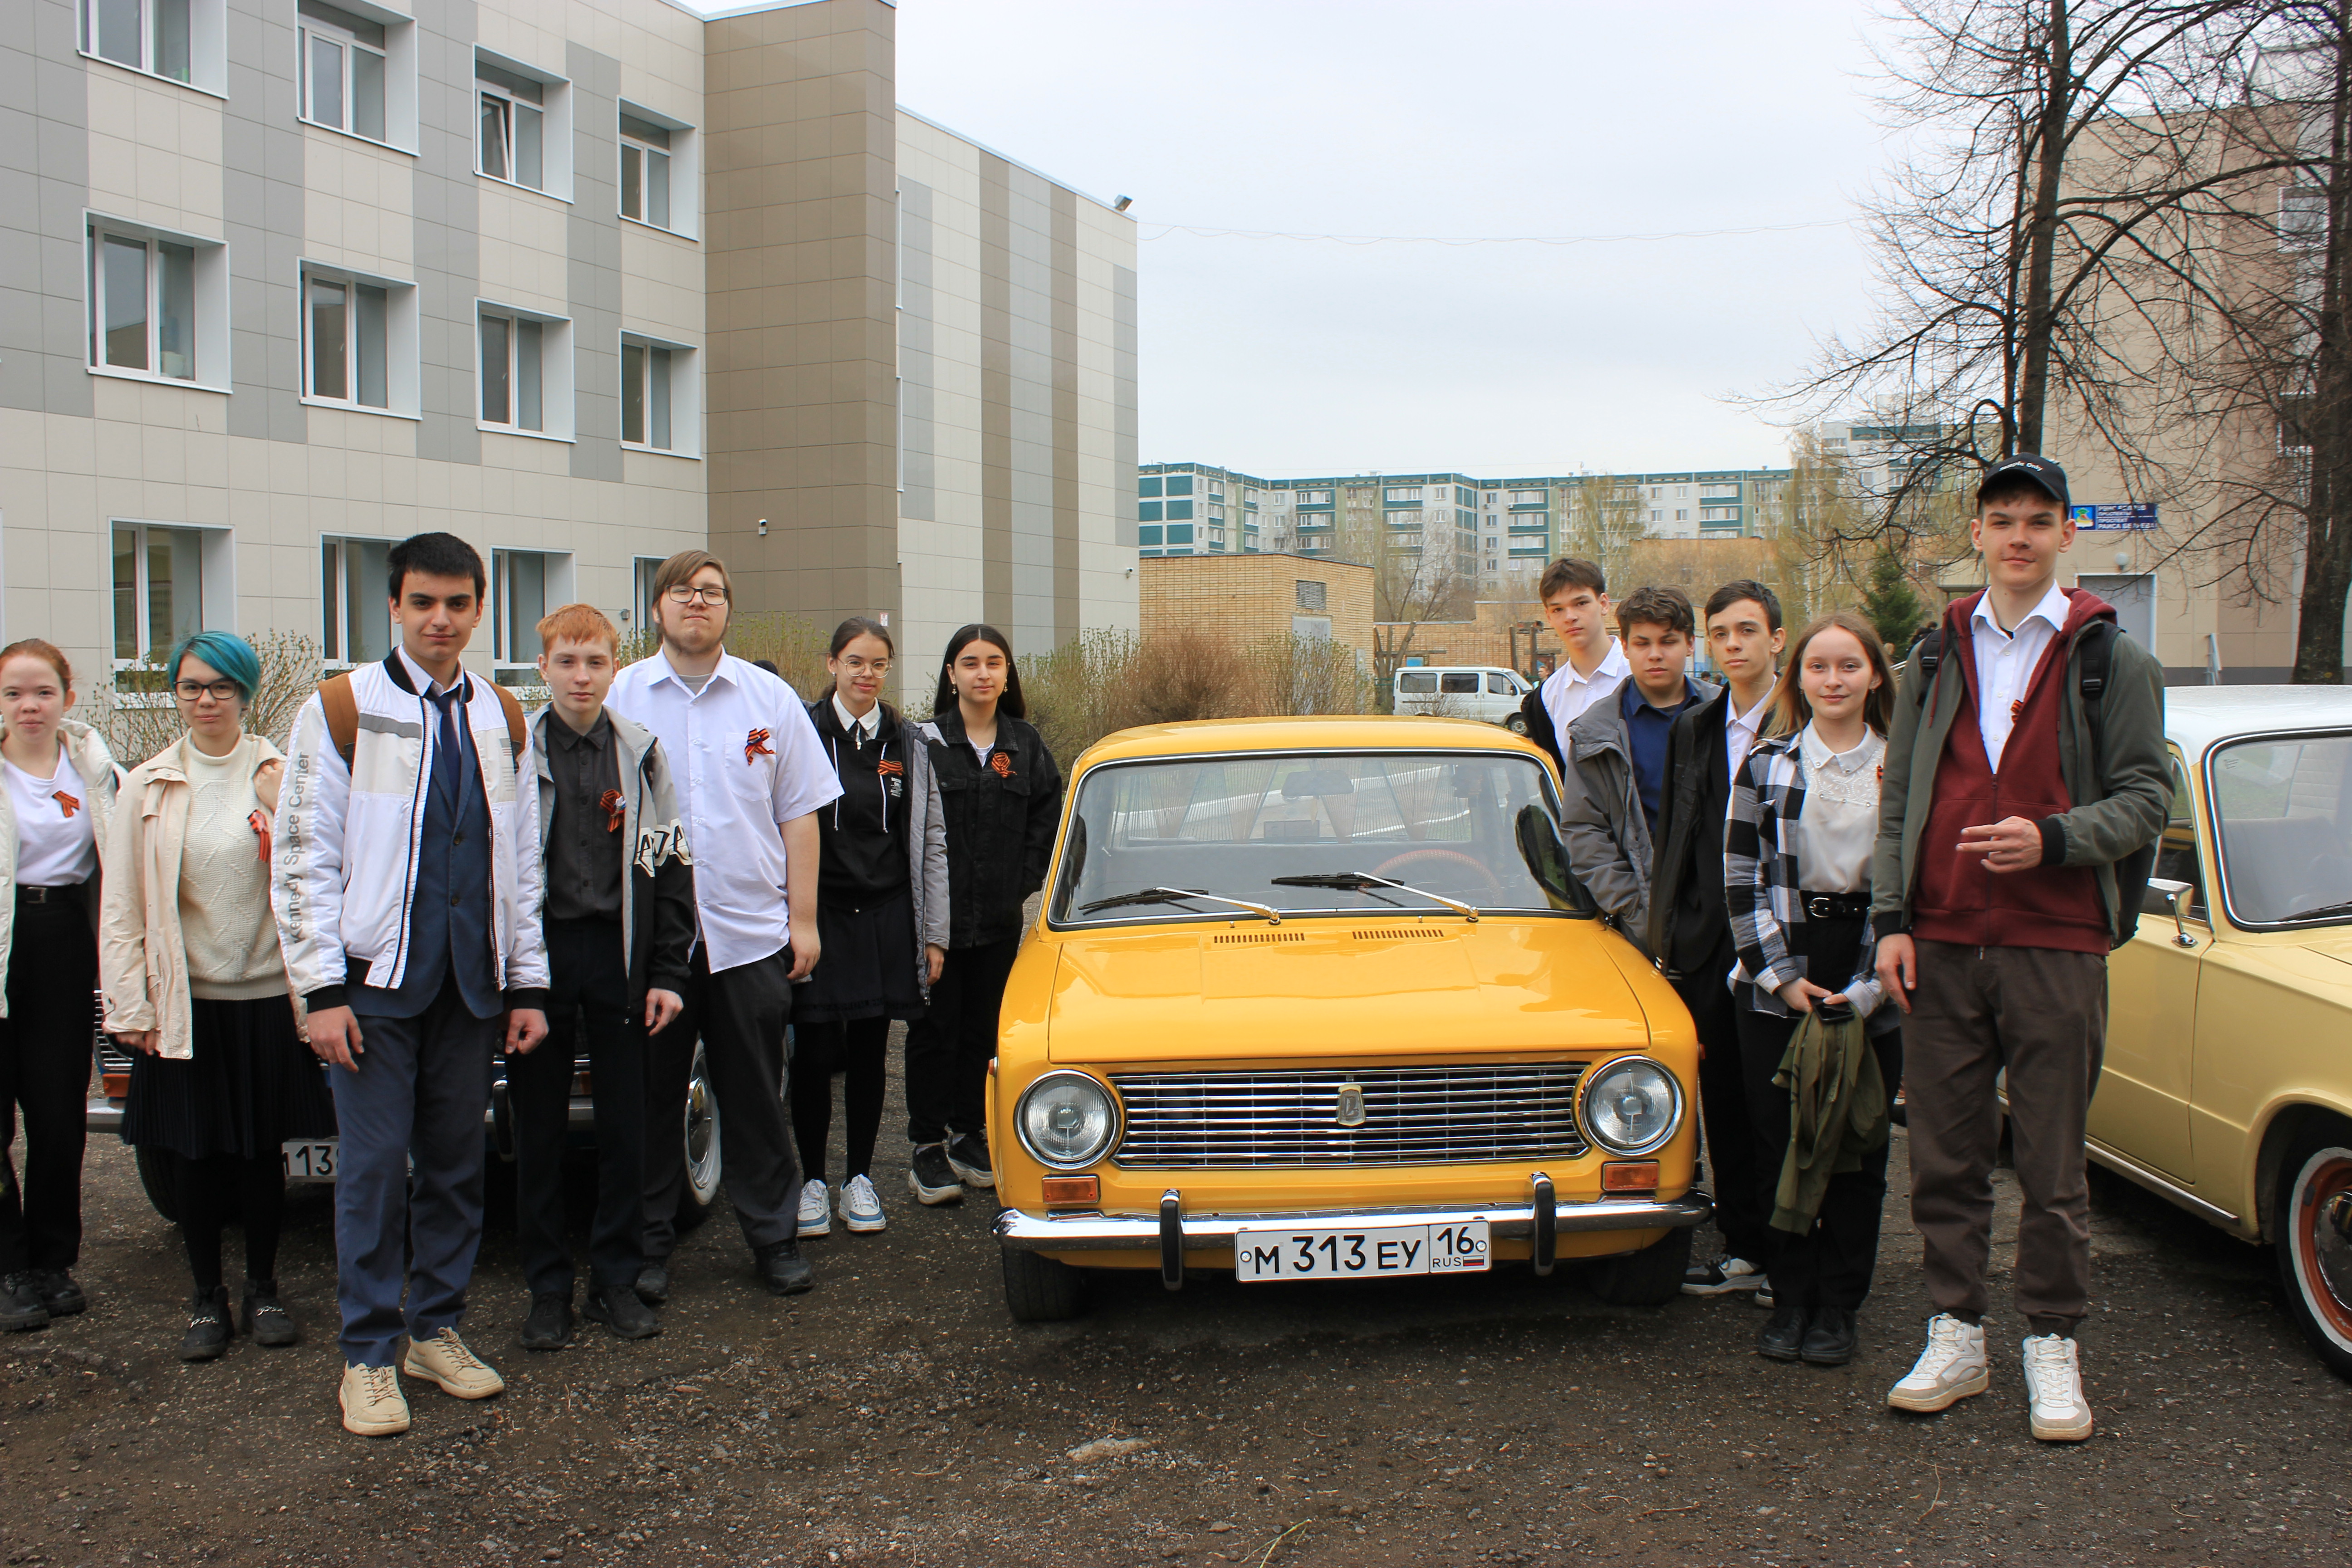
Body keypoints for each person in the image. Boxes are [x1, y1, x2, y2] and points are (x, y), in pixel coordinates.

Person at [1871, 455, 2168, 1442]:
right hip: (1941, 939)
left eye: (2038, 520)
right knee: (1945, 1159)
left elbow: (2145, 797)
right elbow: (1899, 800)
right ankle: (1956, 1332)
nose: (2018, 537)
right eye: (2001, 520)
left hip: (2055, 941)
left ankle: (2051, 1341)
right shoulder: (1933, 655)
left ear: (2065, 534)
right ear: (1977, 534)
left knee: (2050, 1161)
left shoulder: (2109, 658)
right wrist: (1891, 921)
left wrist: (2054, 838)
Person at [273, 531, 551, 1438]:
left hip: (470, 990)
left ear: (479, 610)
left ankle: (434, 1330)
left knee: (457, 1168)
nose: (440, 619)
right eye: (423, 602)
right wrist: (321, 991)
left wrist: (527, 985)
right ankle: (367, 1352)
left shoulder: (502, 715)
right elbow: (303, 855)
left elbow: (522, 862)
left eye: (457, 604)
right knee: (372, 1175)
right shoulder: (341, 708)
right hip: (373, 992)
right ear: (393, 604)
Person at [606, 552, 840, 1302]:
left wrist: (803, 921)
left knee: (756, 1098)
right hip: (653, 947)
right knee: (652, 1099)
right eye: (682, 591)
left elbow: (799, 815)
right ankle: (647, 1247)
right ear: (657, 608)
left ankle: (774, 1238)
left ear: (729, 609)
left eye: (711, 592)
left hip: (749, 935)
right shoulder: (621, 695)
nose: (697, 603)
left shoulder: (768, 699)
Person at [101, 632, 334, 1361]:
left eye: (221, 687)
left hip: (265, 997)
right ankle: (208, 1298)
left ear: (246, 693)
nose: (206, 700)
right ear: (176, 693)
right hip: (187, 1004)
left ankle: (264, 1289)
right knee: (193, 1156)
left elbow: (316, 880)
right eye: (192, 687)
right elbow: (122, 904)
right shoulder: (148, 785)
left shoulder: (280, 774)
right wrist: (131, 1006)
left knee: (264, 1153)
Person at [514, 605, 695, 1351]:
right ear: (543, 667)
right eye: (566, 662)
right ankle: (548, 1290)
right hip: (541, 958)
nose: (581, 677)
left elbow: (671, 862)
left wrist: (668, 970)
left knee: (625, 1127)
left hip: (621, 957)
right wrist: (512, 979)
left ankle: (615, 1282)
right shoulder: (515, 752)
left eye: (595, 662)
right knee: (538, 1132)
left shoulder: (642, 754)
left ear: (615, 668)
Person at [1726, 612, 1903, 1367]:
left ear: (1874, 675)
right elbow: (1741, 878)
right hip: (1779, 972)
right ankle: (1790, 1296)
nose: (1833, 680)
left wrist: (1866, 991)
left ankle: (1837, 1306)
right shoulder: (1766, 763)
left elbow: (1910, 887)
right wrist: (1781, 977)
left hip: (1870, 962)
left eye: (1849, 666)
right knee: (1779, 1145)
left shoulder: (1900, 767)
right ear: (1796, 677)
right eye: (1818, 667)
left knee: (1857, 1149)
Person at [1649, 581, 1787, 1304]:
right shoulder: (1696, 727)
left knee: (1779, 1107)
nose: (1734, 645)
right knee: (1725, 1105)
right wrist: (1672, 936)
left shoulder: (1804, 717)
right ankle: (1744, 1249)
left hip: (1786, 941)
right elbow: (1677, 835)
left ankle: (1793, 1255)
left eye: (1747, 631)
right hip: (1710, 944)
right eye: (1722, 633)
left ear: (1776, 639)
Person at [790, 619, 948, 1239]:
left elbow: (930, 839)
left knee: (868, 1050)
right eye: (855, 662)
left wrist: (933, 932)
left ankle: (859, 1179)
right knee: (812, 1052)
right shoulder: (802, 730)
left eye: (878, 664)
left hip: (884, 914)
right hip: (819, 915)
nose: (867, 674)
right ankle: (811, 1182)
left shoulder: (907, 741)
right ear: (832, 663)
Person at [903, 625, 1062, 1206]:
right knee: (933, 1031)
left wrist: (1019, 884)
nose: (983, 673)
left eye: (994, 662)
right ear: (951, 674)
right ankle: (926, 1144)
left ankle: (969, 1133)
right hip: (937, 925)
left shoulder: (1025, 746)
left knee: (984, 1031)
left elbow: (1048, 819)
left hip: (997, 920)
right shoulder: (924, 743)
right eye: (970, 663)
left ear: (1007, 673)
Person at [0, 641, 119, 1333]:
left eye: (42, 692)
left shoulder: (95, 769)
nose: (29, 706)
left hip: (63, 941)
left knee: (57, 1116)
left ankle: (52, 1260)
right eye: (14, 694)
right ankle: (9, 1267)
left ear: (67, 698)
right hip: (3, 940)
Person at [1556, 586, 1711, 950]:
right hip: (1646, 918)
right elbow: (1584, 830)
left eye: (1668, 642)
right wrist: (1636, 909)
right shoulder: (1595, 731)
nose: (1655, 654)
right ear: (1625, 647)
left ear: (1691, 644)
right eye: (1642, 643)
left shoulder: (1725, 715)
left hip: (1722, 914)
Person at [1517, 557, 1631, 773]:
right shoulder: (1545, 700)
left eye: (1581, 603)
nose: (1570, 617)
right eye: (1558, 609)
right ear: (1549, 617)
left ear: (1604, 604)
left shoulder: (1641, 675)